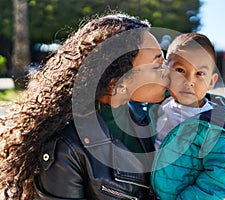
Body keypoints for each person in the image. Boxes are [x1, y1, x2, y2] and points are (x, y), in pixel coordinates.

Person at [0, 13, 168, 199]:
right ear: (117, 84)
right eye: (157, 65)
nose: (167, 72)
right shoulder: (67, 148)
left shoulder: (152, 115)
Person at [150, 33, 225, 200]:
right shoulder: (157, 106)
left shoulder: (217, 126)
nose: (189, 80)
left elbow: (215, 183)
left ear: (212, 81)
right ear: (166, 73)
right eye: (180, 70)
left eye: (200, 73)